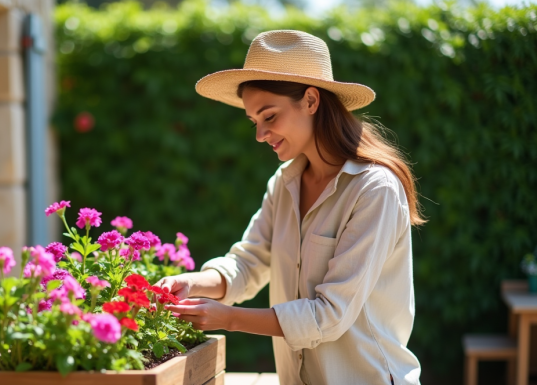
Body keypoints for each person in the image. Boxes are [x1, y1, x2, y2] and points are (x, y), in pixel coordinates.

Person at [157, 30, 423, 385]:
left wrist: (228, 318)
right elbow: (248, 262)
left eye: (269, 116)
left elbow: (329, 315)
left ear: (311, 101)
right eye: (254, 121)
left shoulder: (375, 189)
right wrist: (192, 282)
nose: (259, 134)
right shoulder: (285, 183)